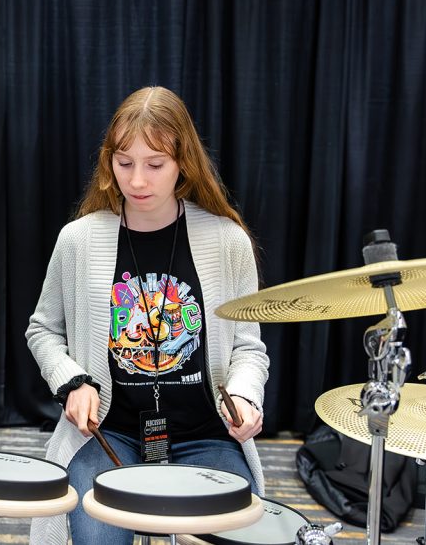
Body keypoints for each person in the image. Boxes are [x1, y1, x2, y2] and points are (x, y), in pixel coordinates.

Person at [25, 86, 268, 543]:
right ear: (108, 161)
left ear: (183, 164)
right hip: (108, 435)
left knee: (231, 532)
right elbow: (43, 330)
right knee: (95, 534)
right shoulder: (77, 240)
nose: (137, 180)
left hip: (206, 435)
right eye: (124, 162)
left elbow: (248, 348)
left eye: (155, 164)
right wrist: (72, 382)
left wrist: (246, 397)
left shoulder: (226, 241)